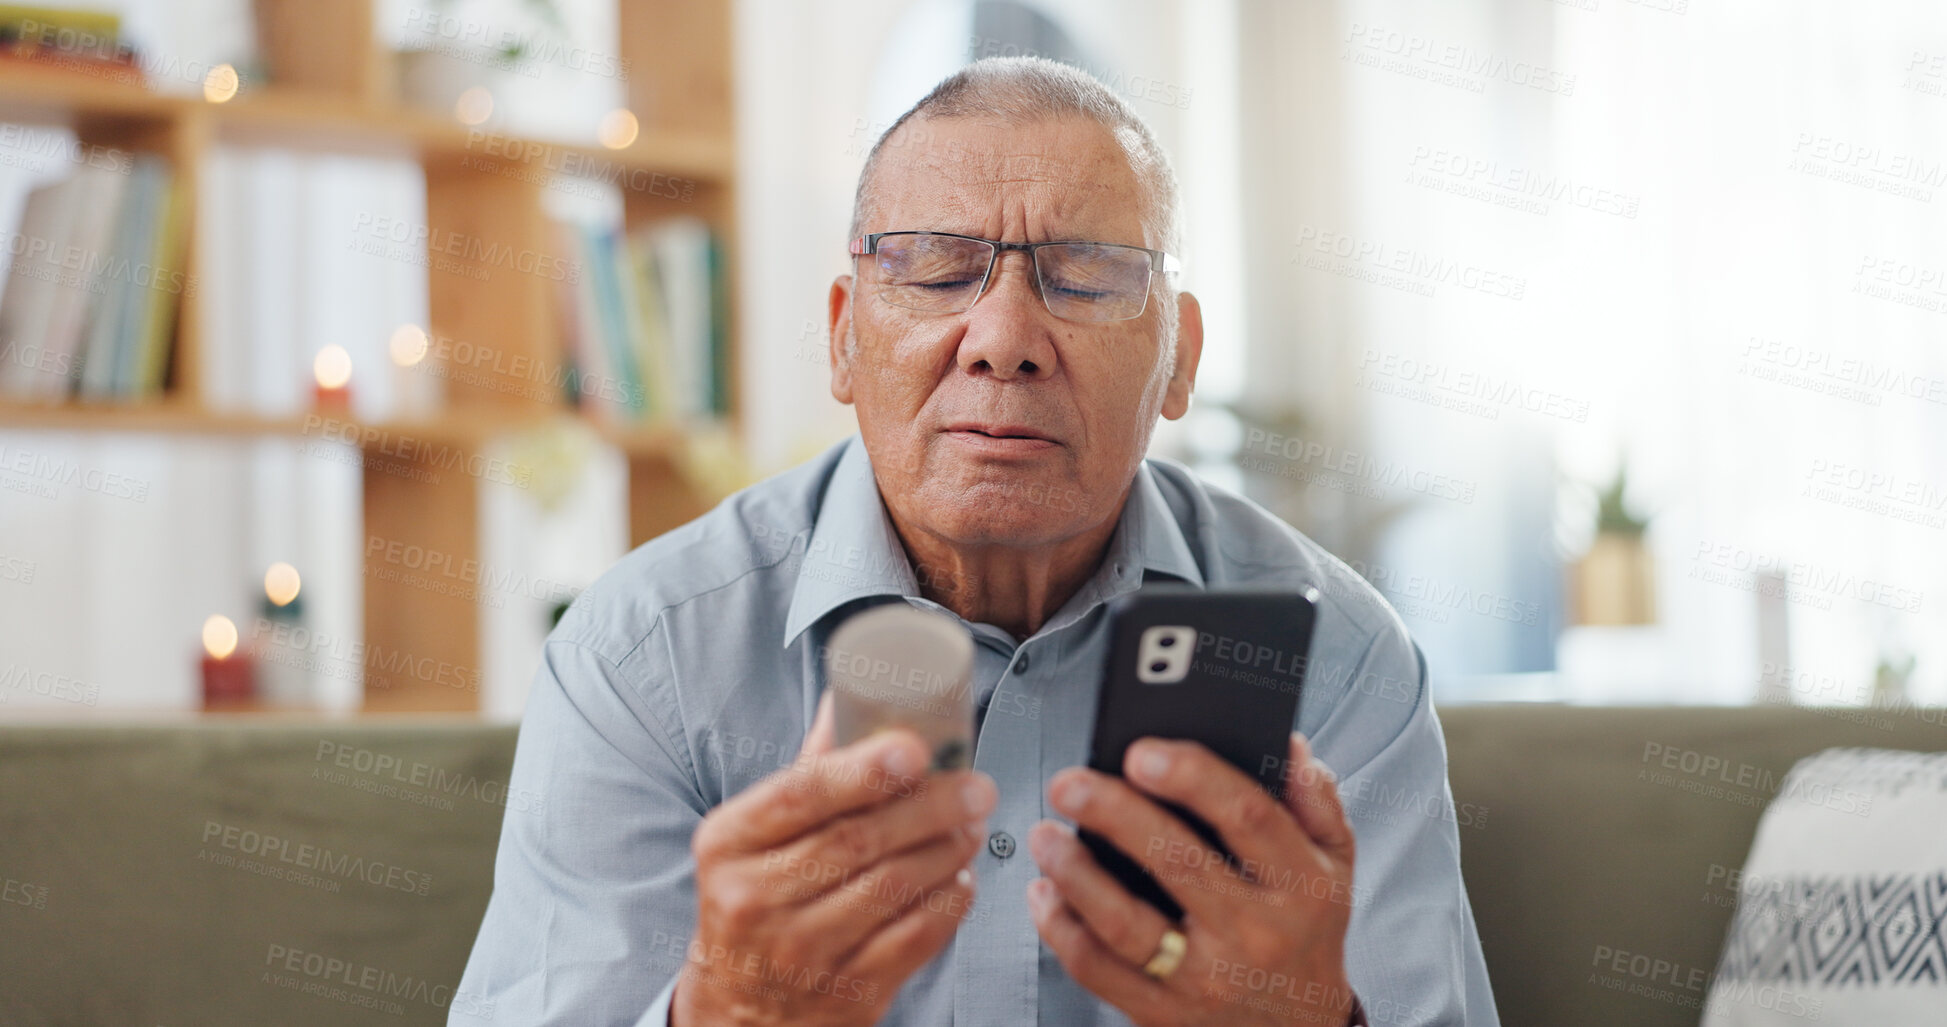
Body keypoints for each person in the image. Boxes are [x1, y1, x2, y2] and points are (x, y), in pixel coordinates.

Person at [453, 57, 1499, 1026]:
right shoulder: (644, 655)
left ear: (1178, 359)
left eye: (1085, 275)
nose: (1001, 341)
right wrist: (715, 1011)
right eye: (934, 268)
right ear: (843, 337)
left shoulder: (1341, 658)